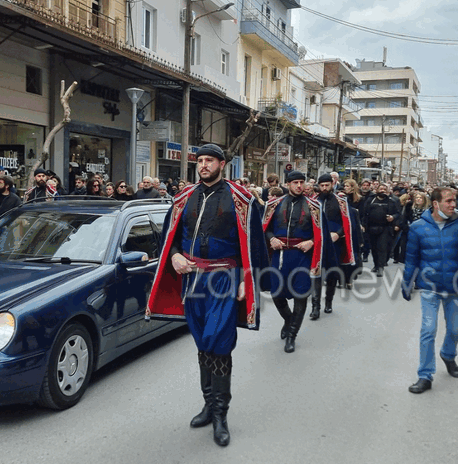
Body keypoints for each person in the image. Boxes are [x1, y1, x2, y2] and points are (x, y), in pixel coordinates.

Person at [146, 143, 268, 447]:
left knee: (220, 344)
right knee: (203, 342)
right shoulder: (183, 198)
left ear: (222, 164)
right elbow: (170, 238)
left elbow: (253, 244)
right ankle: (207, 403)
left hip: (224, 279)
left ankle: (220, 415)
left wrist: (246, 280)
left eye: (209, 160)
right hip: (192, 281)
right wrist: (174, 255)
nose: (203, 165)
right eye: (199, 160)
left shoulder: (242, 200)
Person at [402, 187, 458, 393]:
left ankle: (448, 355)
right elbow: (411, 259)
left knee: (455, 330)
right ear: (435, 204)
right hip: (429, 287)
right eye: (448, 201)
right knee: (428, 330)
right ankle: (425, 375)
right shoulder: (418, 228)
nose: (453, 204)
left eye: (454, 201)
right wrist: (407, 282)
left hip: (454, 287)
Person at [262, 170, 331, 353]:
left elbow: (322, 233)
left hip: (302, 256)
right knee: (277, 294)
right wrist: (271, 239)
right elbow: (265, 228)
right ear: (288, 184)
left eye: (302, 182)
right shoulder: (273, 205)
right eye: (295, 182)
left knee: (301, 296)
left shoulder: (314, 206)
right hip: (280, 256)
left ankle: (292, 335)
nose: (299, 186)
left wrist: (312, 242)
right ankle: (288, 319)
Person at [310, 173, 353, 319]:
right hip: (317, 243)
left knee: (332, 274)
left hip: (335, 243)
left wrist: (338, 234)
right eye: (321, 186)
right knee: (316, 273)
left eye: (327, 185)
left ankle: (329, 302)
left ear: (332, 184)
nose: (324, 188)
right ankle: (315, 306)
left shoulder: (341, 201)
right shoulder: (313, 201)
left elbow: (347, 223)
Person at [363, 182, 402, 277]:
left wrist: (392, 217)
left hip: (385, 228)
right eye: (381, 189)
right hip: (371, 227)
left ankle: (381, 267)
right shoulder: (370, 200)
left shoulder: (391, 201)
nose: (382, 191)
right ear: (377, 190)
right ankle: (376, 265)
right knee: (374, 248)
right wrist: (363, 225)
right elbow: (364, 213)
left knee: (382, 247)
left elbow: (398, 214)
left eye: (385, 189)